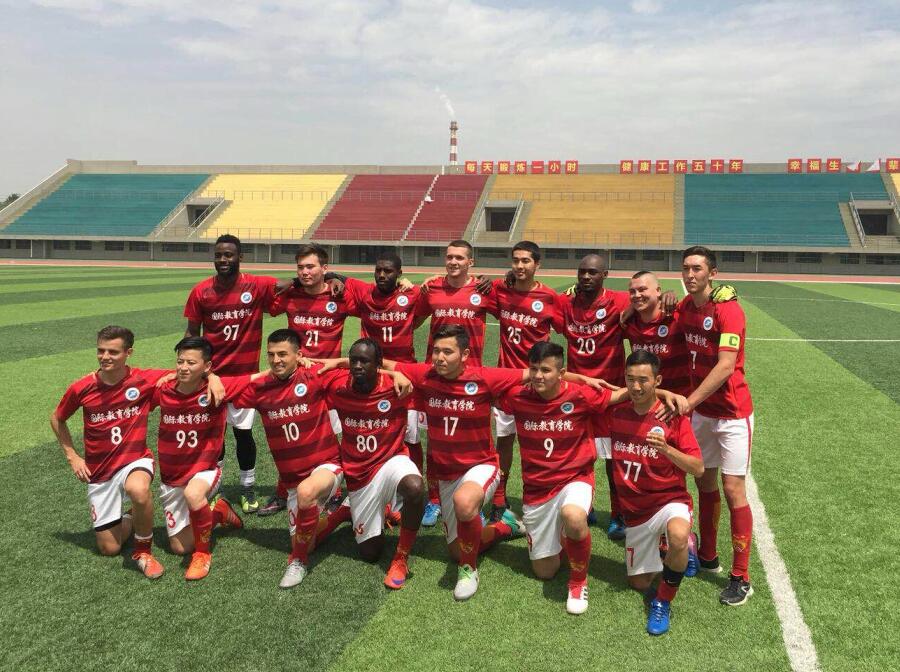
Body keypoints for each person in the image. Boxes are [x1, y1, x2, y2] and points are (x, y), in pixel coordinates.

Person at [231, 329, 357, 587]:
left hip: (327, 465)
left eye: (283, 354)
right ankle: (344, 511)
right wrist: (258, 374)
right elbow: (225, 390)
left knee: (306, 493)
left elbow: (362, 368)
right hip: (292, 480)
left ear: (299, 355)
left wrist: (335, 361)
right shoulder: (260, 388)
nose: (276, 360)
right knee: (307, 541)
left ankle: (298, 562)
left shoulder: (314, 375)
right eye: (271, 355)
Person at [51, 325, 176, 579]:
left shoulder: (143, 379)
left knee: (138, 490)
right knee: (109, 548)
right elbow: (57, 419)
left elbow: (188, 371)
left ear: (128, 353)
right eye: (101, 350)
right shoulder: (82, 387)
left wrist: (211, 378)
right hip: (100, 472)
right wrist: (73, 457)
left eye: (113, 352)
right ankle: (132, 516)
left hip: (135, 460)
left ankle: (143, 552)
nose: (105, 356)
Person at [184, 234, 292, 514]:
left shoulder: (255, 285)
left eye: (229, 255)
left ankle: (247, 486)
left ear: (240, 257)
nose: (223, 260)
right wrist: (191, 367)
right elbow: (192, 333)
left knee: (243, 435)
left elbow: (289, 284)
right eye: (219, 255)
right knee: (214, 437)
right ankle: (214, 487)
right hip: (212, 378)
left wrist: (331, 276)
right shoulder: (201, 291)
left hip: (245, 379)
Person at [325, 253, 433, 526]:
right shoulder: (364, 292)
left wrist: (417, 284)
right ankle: (373, 493)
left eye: (388, 271)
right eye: (378, 270)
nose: (382, 275)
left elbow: (429, 301)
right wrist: (334, 278)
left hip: (403, 377)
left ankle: (411, 497)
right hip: (371, 377)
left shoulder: (410, 295)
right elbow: (335, 276)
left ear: (399, 273)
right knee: (369, 433)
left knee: (410, 438)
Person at [606, 349, 704, 635]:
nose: (636, 387)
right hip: (635, 513)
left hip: (669, 501)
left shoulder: (672, 417)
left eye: (644, 380)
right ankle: (674, 547)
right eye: (630, 379)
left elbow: (698, 468)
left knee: (677, 535)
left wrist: (667, 449)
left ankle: (663, 601)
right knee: (638, 583)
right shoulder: (614, 414)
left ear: (657, 380)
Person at [678, 246, 755, 606]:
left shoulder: (728, 310)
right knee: (703, 481)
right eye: (686, 268)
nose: (690, 274)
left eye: (697, 269)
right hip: (703, 415)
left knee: (733, 488)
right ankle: (708, 554)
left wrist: (689, 402)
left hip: (733, 414)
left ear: (712, 273)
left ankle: (741, 577)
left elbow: (726, 366)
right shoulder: (684, 307)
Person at [321, 338, 424, 589]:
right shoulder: (337, 385)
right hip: (359, 474)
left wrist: (396, 373)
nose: (357, 366)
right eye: (353, 360)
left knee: (415, 487)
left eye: (364, 361)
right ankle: (348, 509)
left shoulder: (397, 386)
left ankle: (401, 558)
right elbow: (302, 365)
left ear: (378, 364)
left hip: (391, 460)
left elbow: (431, 375)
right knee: (370, 553)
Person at [263, 243, 354, 515]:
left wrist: (337, 279)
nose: (305, 272)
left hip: (327, 378)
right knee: (290, 437)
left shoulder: (339, 295)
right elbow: (265, 300)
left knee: (331, 437)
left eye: (311, 267)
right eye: (300, 267)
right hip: (294, 378)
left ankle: (335, 492)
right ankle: (283, 491)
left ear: (324, 268)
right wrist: (291, 282)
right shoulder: (291, 295)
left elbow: (370, 297)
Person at [152, 337, 253, 580]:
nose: (183, 367)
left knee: (194, 494)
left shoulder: (217, 387)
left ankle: (203, 554)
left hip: (205, 469)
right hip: (172, 477)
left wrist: (214, 378)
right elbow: (127, 378)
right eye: (180, 362)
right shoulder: (162, 387)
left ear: (207, 366)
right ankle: (219, 512)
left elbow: (260, 378)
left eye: (191, 362)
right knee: (180, 547)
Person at [553, 253, 632, 540]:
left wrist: (667, 295)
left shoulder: (619, 301)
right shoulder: (566, 303)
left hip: (612, 395)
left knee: (614, 459)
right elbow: (537, 300)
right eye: (582, 271)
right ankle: (583, 506)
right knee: (578, 457)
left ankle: (618, 514)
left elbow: (648, 299)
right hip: (578, 394)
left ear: (605, 275)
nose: (586, 276)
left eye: (593, 272)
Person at [489, 241, 560, 521]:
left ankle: (545, 497)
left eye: (526, 261)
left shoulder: (550, 297)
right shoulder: (501, 290)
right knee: (504, 441)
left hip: (539, 384)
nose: (520, 266)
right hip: (508, 383)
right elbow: (476, 286)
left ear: (537, 264)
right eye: (516, 260)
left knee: (540, 444)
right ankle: (499, 497)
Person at [622, 271, 692, 397]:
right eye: (632, 291)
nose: (636, 295)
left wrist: (669, 293)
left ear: (658, 291)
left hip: (680, 399)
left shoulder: (677, 316)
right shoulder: (628, 321)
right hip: (646, 399)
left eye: (642, 289)